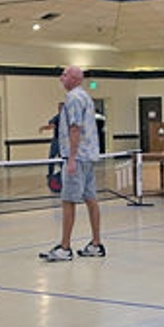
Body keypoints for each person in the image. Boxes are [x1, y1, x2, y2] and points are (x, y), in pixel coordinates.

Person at [40, 66, 104, 261]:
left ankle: (65, 248)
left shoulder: (74, 98)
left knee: (68, 200)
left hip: (78, 157)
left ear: (75, 79)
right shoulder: (86, 97)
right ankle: (96, 244)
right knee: (91, 199)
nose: (61, 78)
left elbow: (75, 129)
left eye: (65, 75)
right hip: (89, 156)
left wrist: (72, 158)